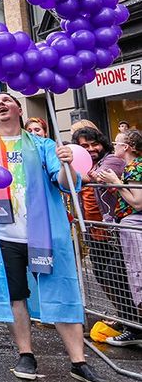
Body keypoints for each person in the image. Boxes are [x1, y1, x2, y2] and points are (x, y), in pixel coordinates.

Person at [0, 92, 114, 382]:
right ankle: (25, 354)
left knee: (60, 290)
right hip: (2, 236)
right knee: (15, 295)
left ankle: (79, 362)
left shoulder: (44, 145)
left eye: (7, 100)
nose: (1, 104)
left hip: (43, 234)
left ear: (19, 109)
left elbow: (63, 182)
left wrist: (68, 164)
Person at [73, 126, 139, 333]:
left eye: (94, 144)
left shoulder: (113, 160)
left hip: (116, 228)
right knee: (103, 275)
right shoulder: (88, 163)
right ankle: (126, 319)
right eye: (85, 146)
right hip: (94, 229)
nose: (91, 149)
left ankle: (133, 325)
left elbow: (96, 177)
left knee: (119, 274)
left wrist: (72, 174)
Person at [96, 129, 142, 346]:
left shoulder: (136, 168)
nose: (114, 147)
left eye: (117, 143)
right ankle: (132, 325)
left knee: (119, 273)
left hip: (135, 230)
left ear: (128, 147)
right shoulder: (131, 168)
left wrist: (115, 181)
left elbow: (137, 202)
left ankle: (134, 328)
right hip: (129, 230)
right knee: (115, 274)